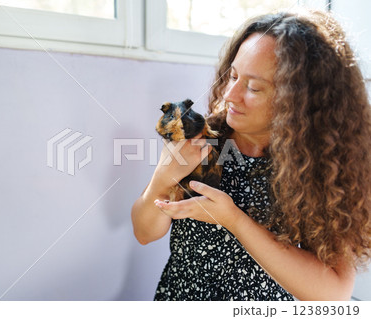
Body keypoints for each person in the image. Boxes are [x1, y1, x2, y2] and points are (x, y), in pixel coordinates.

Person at [131, 9, 371, 301]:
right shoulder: (203, 141)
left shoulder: (321, 168)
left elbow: (333, 293)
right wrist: (162, 179)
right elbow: (144, 233)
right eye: (232, 76)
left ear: (299, 101)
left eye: (254, 87)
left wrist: (234, 220)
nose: (230, 95)